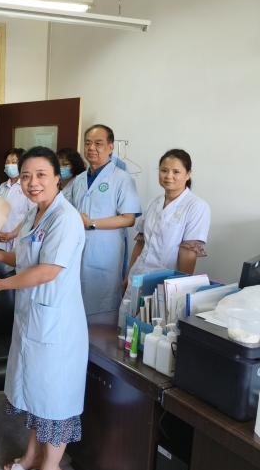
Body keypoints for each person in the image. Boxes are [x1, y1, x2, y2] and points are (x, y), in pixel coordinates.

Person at [0, 147, 88, 470]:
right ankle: (31, 457)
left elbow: (47, 270)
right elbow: (25, 258)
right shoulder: (34, 213)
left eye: (41, 175)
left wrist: (0, 285)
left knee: (55, 402)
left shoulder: (65, 218)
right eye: (26, 176)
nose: (32, 182)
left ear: (57, 177)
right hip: (33, 318)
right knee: (38, 396)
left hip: (57, 325)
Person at [64, 124, 141, 323]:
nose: (92, 148)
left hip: (106, 253)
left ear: (110, 147)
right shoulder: (79, 180)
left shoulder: (122, 179)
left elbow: (129, 218)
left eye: (98, 143)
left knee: (102, 307)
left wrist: (91, 223)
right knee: (76, 307)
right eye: (88, 143)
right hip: (78, 250)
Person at [127, 149, 210, 282]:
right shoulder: (154, 203)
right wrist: (128, 275)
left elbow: (188, 254)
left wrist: (180, 286)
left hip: (166, 280)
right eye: (164, 170)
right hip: (137, 275)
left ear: (188, 174)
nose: (168, 176)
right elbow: (140, 243)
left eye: (176, 172)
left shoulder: (196, 206)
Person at [0, 148, 35, 252]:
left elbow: (33, 216)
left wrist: (13, 234)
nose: (9, 165)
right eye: (7, 162)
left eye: (14, 162)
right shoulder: (2, 186)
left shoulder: (29, 187)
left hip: (17, 239)